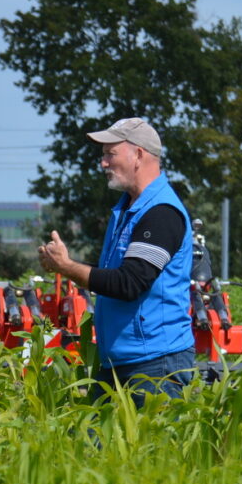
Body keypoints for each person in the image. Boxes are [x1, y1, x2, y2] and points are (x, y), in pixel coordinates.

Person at [37, 117, 195, 402]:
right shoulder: (128, 210)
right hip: (118, 362)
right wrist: (67, 266)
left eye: (110, 154)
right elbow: (114, 275)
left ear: (138, 154)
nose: (103, 163)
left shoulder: (161, 214)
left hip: (155, 366)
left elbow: (129, 283)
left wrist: (69, 267)